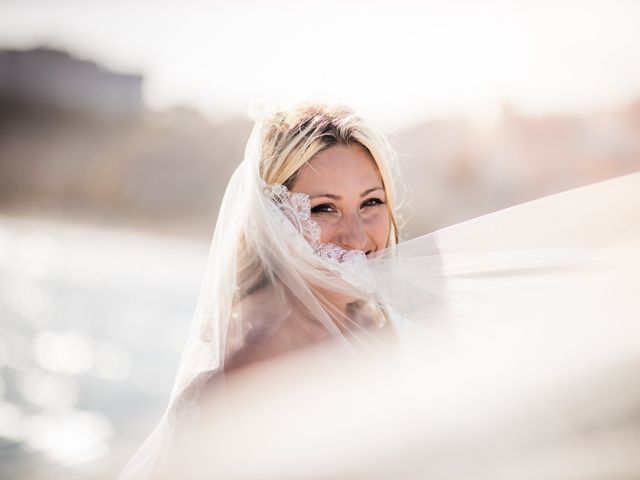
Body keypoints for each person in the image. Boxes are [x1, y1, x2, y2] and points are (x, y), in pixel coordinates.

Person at [119, 102, 640, 480]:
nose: (356, 234)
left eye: (370, 203)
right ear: (274, 221)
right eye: (323, 209)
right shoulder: (261, 352)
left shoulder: (371, 323)